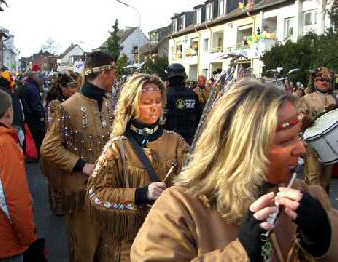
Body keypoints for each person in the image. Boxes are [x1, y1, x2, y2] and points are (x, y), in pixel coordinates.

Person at [131, 79, 338, 261]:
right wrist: (240, 254)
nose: (301, 149)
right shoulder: (179, 208)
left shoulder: (307, 197)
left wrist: (325, 240)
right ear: (244, 148)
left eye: (298, 137)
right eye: (286, 141)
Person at [86, 74, 189, 261]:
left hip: (167, 243)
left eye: (158, 101)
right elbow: (95, 195)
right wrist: (141, 194)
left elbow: (194, 184)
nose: (154, 107)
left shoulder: (176, 142)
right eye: (147, 102)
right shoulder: (117, 147)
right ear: (132, 105)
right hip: (127, 248)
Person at [41, 51, 116, 262]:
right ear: (105, 73)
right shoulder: (69, 107)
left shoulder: (108, 104)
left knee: (108, 253)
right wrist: (81, 165)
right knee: (84, 253)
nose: (116, 78)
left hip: (109, 195)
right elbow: (48, 148)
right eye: (114, 72)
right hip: (81, 198)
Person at [0, 88, 36, 261]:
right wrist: (28, 235)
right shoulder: (3, 144)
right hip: (3, 241)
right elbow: (13, 199)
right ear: (9, 112)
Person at [41, 73, 78, 215]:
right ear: (62, 87)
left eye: (76, 86)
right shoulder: (55, 103)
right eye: (71, 87)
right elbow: (54, 128)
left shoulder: (71, 100)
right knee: (56, 180)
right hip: (57, 147)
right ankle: (59, 206)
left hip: (69, 146)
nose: (74, 90)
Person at [299, 67, 337, 192]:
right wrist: (304, 120)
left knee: (326, 180)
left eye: (327, 80)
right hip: (312, 145)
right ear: (315, 81)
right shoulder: (306, 98)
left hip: (330, 145)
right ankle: (312, 206)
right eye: (321, 79)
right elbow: (298, 116)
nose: (324, 82)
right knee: (313, 177)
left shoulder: (334, 98)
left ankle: (324, 206)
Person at [164, 63, 202, 145]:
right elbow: (200, 117)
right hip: (190, 139)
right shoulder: (192, 94)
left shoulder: (164, 95)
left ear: (169, 78)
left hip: (170, 140)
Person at [0, 54, 24, 139]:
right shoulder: (3, 91)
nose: (2, 73)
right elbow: (16, 123)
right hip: (2, 140)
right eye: (0, 70)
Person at [21, 66, 46, 157]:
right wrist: (43, 114)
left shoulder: (28, 85)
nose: (41, 78)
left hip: (30, 116)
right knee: (37, 137)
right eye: (39, 76)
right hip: (34, 118)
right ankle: (37, 155)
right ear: (35, 77)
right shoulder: (32, 88)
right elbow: (36, 106)